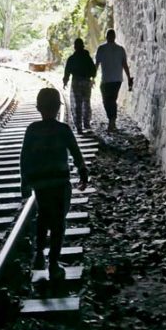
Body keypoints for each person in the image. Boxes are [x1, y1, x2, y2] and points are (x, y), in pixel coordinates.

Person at [20, 86, 89, 279]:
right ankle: (53, 264)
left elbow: (24, 158)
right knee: (59, 222)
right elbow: (76, 153)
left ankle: (39, 254)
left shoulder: (32, 130)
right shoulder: (63, 129)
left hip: (41, 183)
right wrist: (83, 172)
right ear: (58, 108)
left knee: (43, 216)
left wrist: (24, 183)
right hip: (60, 182)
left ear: (38, 108)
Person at [94, 28, 133, 132]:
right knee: (111, 100)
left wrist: (92, 77)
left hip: (107, 80)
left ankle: (112, 121)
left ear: (106, 36)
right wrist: (128, 77)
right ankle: (112, 121)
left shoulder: (102, 49)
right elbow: (125, 65)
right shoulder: (120, 49)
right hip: (116, 80)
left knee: (107, 101)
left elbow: (96, 65)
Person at [62, 37, 96, 133]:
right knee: (86, 102)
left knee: (77, 104)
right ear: (83, 46)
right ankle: (86, 124)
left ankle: (79, 127)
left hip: (76, 82)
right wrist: (92, 79)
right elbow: (93, 70)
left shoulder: (72, 59)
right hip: (86, 82)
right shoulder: (87, 57)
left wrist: (65, 81)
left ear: (75, 47)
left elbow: (67, 71)